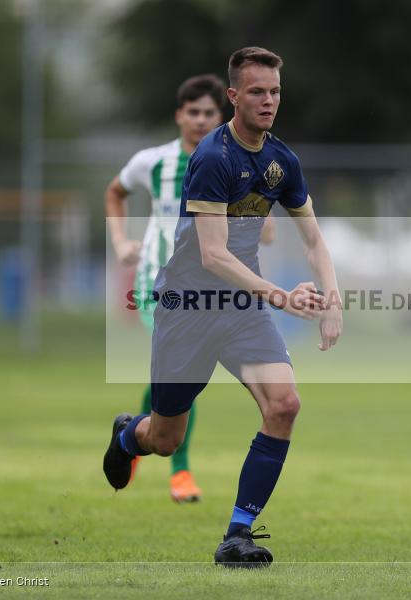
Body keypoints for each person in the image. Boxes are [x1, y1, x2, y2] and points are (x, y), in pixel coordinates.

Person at [103, 46, 343, 567]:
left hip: (241, 309)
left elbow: (313, 239)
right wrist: (282, 296)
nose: (268, 101)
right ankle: (129, 434)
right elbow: (212, 256)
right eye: (256, 91)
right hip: (188, 308)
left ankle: (238, 534)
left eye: (275, 91)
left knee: (284, 406)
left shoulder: (282, 160)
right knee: (165, 440)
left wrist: (333, 299)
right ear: (233, 96)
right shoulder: (213, 158)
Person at [104, 74, 227, 503]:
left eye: (208, 112)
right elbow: (115, 194)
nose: (199, 119)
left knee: (177, 375)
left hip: (207, 285)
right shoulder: (154, 161)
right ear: (179, 115)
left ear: (220, 116)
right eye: (192, 112)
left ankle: (133, 434)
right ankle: (180, 472)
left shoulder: (229, 162)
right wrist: (121, 244)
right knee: (183, 371)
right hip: (156, 278)